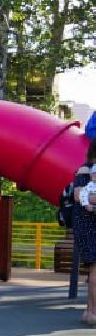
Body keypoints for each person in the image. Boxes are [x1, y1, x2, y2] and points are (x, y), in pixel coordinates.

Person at [70, 139, 96, 326]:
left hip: (84, 223)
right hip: (90, 223)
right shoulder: (87, 170)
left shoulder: (84, 169)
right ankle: (93, 311)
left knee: (93, 268)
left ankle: (89, 310)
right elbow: (79, 196)